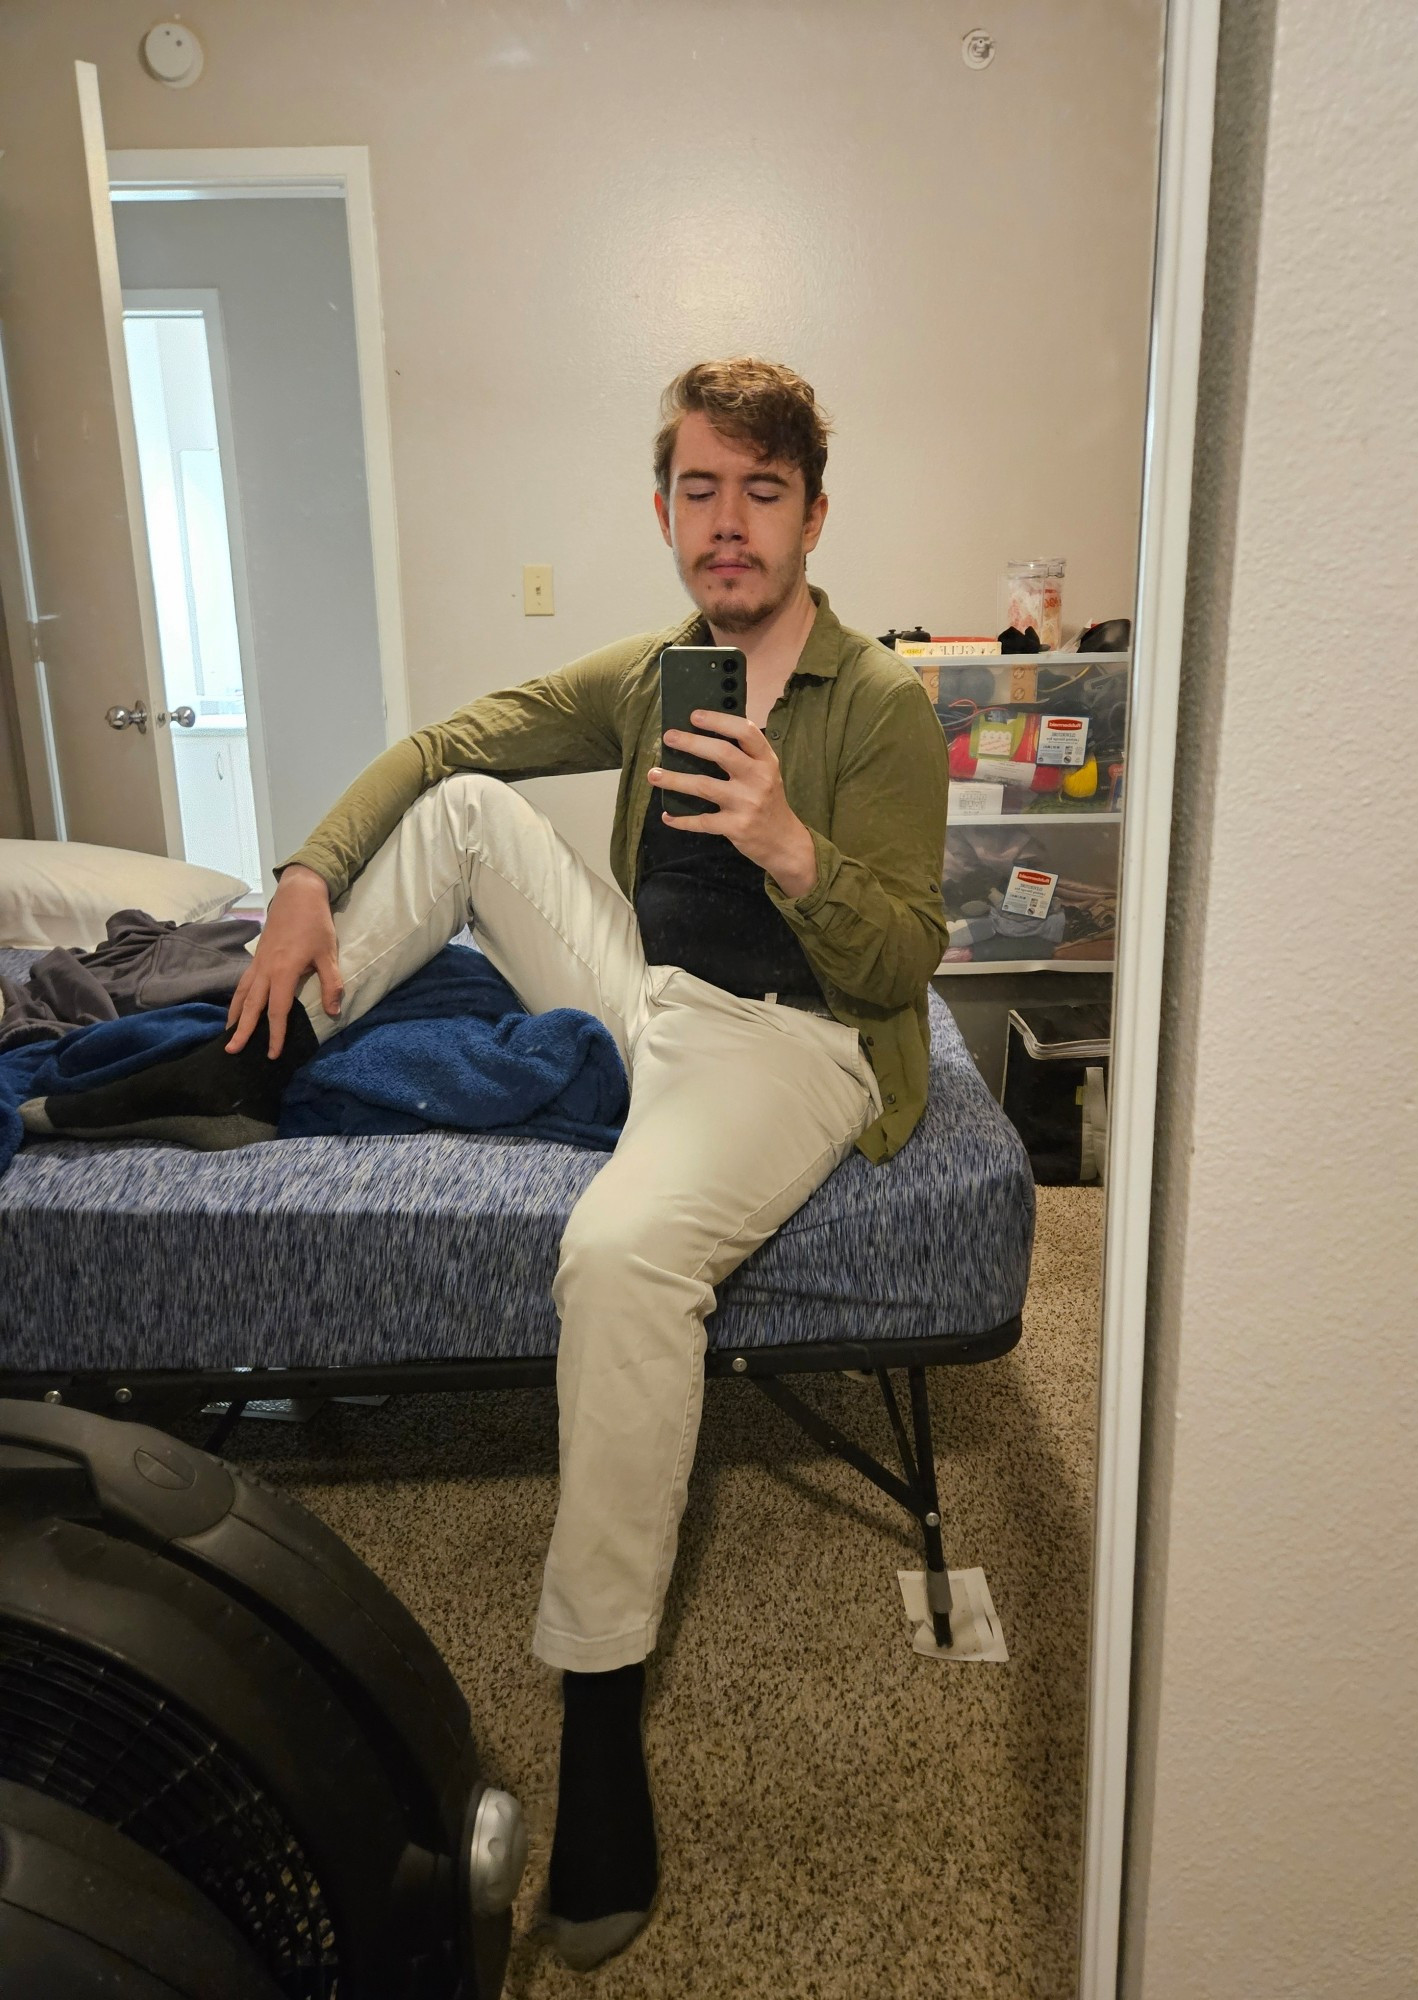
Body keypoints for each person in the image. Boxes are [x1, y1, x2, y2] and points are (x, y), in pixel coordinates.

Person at [225, 356, 949, 1969]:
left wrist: (790, 845)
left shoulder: (884, 706)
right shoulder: (663, 671)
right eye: (702, 489)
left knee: (621, 1257)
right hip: (653, 997)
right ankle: (271, 1030)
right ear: (666, 508)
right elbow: (445, 739)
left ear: (814, 515)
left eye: (764, 492)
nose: (730, 524)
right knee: (477, 804)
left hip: (792, 1038)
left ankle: (601, 1720)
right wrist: (303, 873)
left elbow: (903, 960)